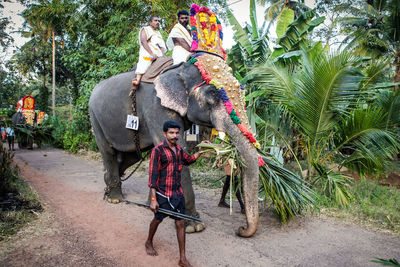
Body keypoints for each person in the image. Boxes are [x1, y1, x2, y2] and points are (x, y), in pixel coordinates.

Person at [146, 120, 204, 267]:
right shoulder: (157, 151)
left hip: (177, 194)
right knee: (157, 220)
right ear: (164, 134)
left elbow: (188, 160)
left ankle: (182, 258)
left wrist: (199, 152)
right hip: (163, 195)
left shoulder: (178, 150)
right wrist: (153, 199)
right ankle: (148, 241)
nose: (175, 135)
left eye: (177, 133)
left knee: (180, 223)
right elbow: (153, 177)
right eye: (171, 133)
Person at [132, 16, 167, 90]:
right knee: (145, 63)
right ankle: (137, 80)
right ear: (150, 22)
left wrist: (162, 56)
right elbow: (143, 41)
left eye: (158, 21)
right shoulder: (146, 29)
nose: (157, 22)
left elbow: (162, 46)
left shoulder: (158, 33)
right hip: (148, 51)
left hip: (158, 54)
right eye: (155, 20)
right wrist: (151, 54)